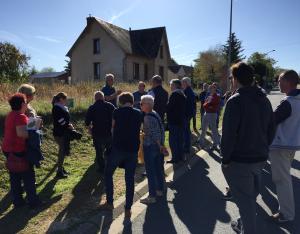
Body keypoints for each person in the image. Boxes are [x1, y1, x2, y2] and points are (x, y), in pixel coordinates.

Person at [221, 62, 275, 234]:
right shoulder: (264, 99)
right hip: (259, 158)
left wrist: (226, 159)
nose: (231, 81)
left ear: (235, 80)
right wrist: (263, 148)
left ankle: (247, 228)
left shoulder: (235, 101)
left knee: (245, 203)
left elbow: (228, 135)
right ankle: (242, 224)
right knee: (249, 197)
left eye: (231, 78)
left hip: (240, 160)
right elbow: (271, 129)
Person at [103, 92, 142, 218]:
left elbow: (112, 128)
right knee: (129, 179)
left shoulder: (116, 112)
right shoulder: (138, 113)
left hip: (118, 148)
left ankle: (110, 202)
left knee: (108, 173)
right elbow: (140, 128)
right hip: (132, 149)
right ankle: (128, 208)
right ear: (131, 101)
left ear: (121, 101)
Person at [269, 70, 300, 223]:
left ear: (288, 82)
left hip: (281, 146)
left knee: (282, 181)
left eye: (280, 80)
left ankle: (286, 214)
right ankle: (286, 211)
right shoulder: (297, 100)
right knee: (284, 179)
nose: (278, 83)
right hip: (291, 144)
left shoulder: (288, 102)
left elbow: (271, 121)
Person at [1, 93, 41, 208]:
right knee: (28, 176)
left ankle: (18, 201)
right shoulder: (20, 116)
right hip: (18, 150)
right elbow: (22, 133)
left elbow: (20, 128)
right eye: (25, 102)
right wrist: (36, 127)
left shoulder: (11, 114)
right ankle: (33, 201)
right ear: (23, 104)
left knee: (15, 176)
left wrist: (33, 123)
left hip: (8, 149)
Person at [139, 95, 165, 204]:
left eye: (141, 103)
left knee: (150, 172)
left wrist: (159, 145)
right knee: (159, 169)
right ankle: (159, 190)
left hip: (151, 146)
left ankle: (152, 196)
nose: (140, 105)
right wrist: (161, 146)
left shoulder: (147, 118)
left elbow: (155, 134)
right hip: (158, 146)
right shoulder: (155, 114)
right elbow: (161, 129)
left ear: (147, 105)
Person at [85, 91, 115, 174]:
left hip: (97, 133)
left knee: (99, 151)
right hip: (109, 132)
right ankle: (110, 166)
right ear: (103, 97)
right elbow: (115, 117)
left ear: (95, 98)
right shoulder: (110, 105)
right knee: (109, 150)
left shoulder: (92, 107)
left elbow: (87, 121)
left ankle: (102, 168)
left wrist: (90, 129)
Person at [52, 92, 74, 179]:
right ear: (61, 99)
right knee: (62, 152)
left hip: (63, 132)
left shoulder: (61, 107)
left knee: (63, 151)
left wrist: (68, 125)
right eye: (65, 99)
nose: (66, 101)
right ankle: (59, 172)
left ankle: (61, 169)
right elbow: (60, 120)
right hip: (59, 133)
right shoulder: (57, 108)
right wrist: (68, 126)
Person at [166, 79, 186, 164]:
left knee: (173, 140)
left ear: (175, 85)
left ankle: (175, 158)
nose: (170, 86)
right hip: (181, 120)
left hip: (174, 121)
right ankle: (181, 156)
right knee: (180, 139)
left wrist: (165, 106)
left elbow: (169, 107)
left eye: (171, 84)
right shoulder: (182, 94)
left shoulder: (174, 94)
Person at [198, 84, 220, 150]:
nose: (210, 89)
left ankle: (215, 144)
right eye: (209, 88)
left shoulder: (217, 96)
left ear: (215, 89)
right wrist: (208, 105)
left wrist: (208, 105)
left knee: (213, 129)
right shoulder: (209, 96)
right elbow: (204, 105)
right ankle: (201, 143)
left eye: (211, 88)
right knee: (203, 128)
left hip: (212, 114)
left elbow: (214, 106)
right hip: (206, 113)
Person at [182, 77, 196, 156]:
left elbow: (186, 104)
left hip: (186, 114)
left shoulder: (187, 91)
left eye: (183, 82)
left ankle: (186, 148)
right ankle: (188, 147)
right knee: (187, 131)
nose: (182, 84)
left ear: (186, 83)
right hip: (189, 114)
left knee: (185, 131)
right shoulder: (189, 91)